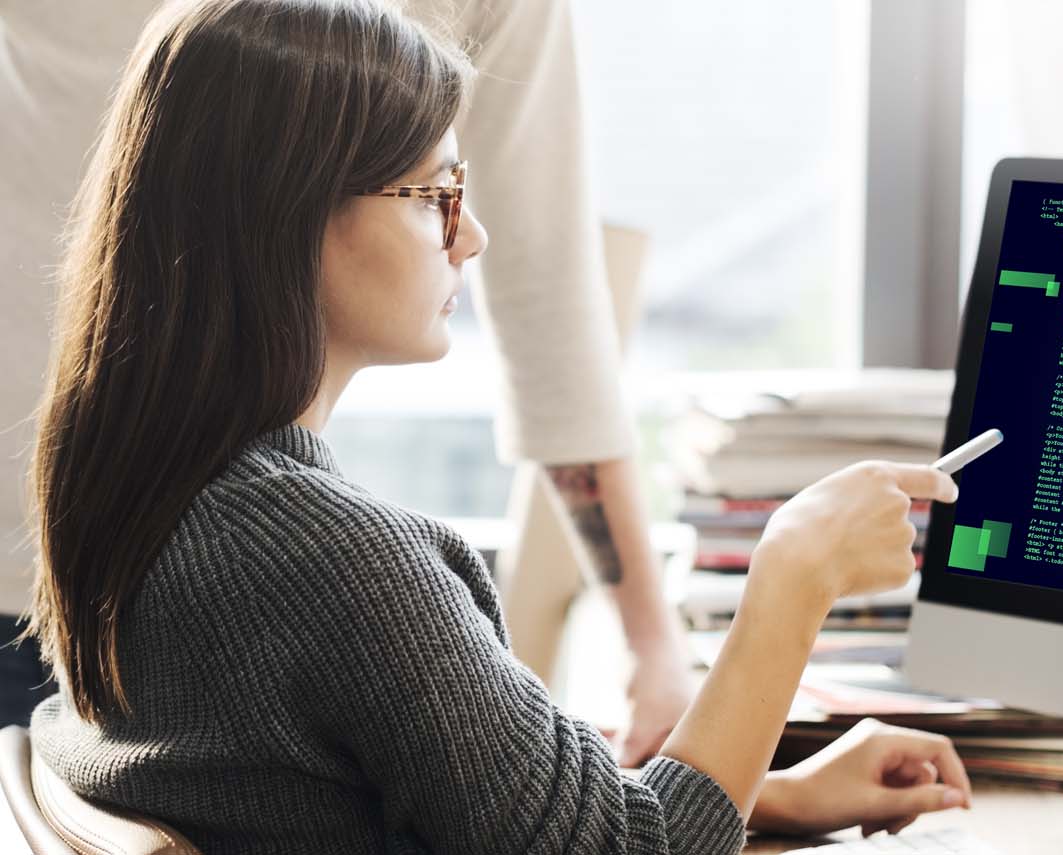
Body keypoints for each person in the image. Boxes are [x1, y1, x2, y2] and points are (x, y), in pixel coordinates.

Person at [22, 0, 972, 852]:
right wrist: (795, 572)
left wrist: (766, 793)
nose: (470, 234)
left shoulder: (143, 496)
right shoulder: (332, 563)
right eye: (433, 195)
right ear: (290, 214)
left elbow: (474, 800)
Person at [0, 0, 693, 764]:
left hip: (100, 540)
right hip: (73, 564)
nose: (468, 236)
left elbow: (549, 303)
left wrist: (648, 642)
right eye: (433, 196)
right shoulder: (353, 571)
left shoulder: (325, 556)